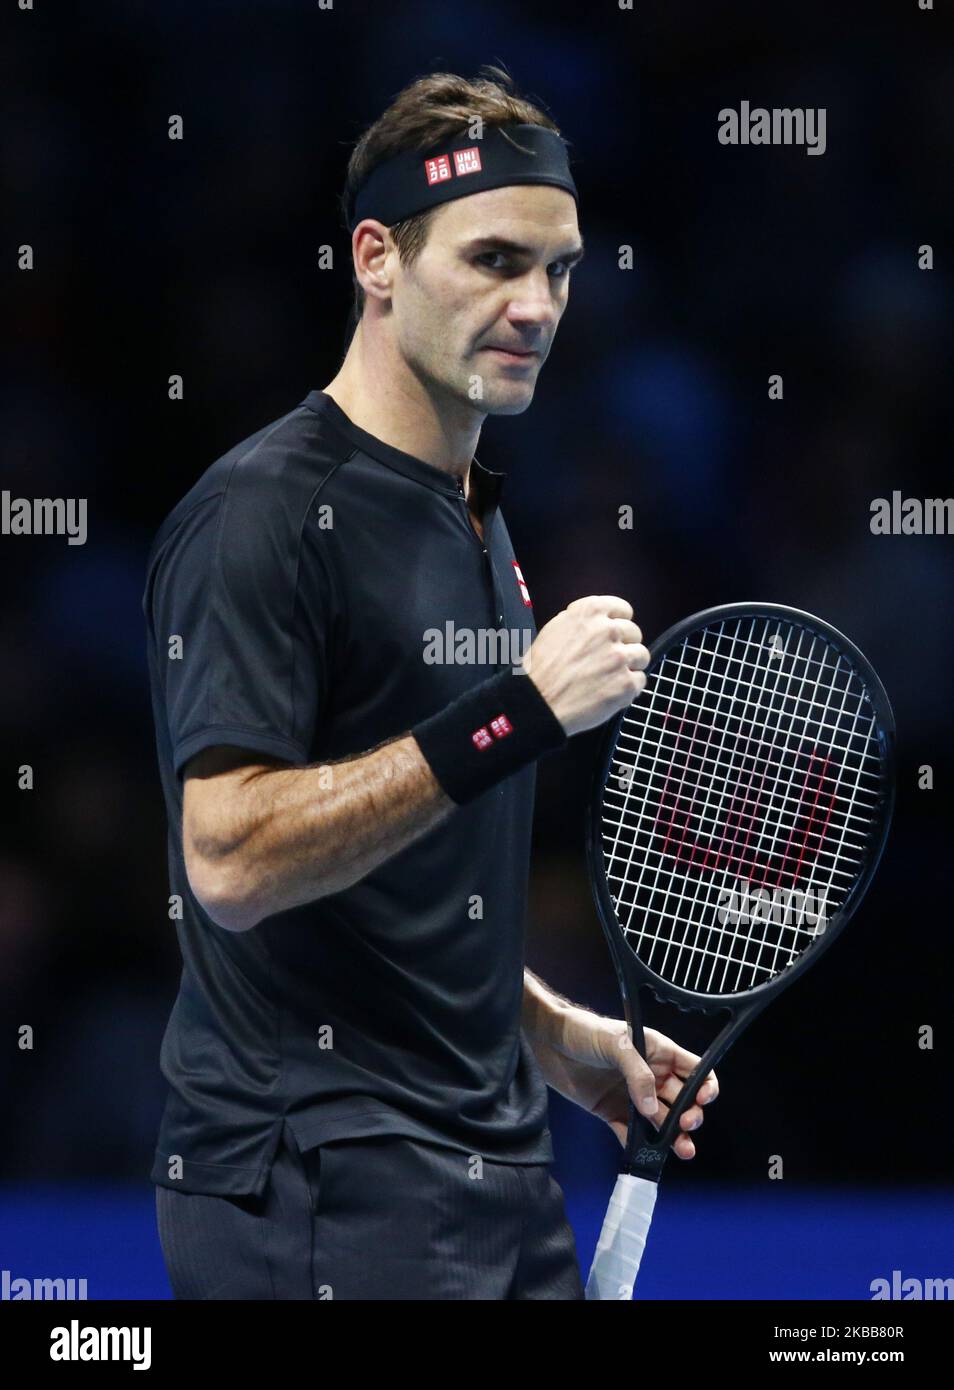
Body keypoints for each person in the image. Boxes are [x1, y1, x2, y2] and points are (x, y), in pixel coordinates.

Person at [143, 63, 718, 1301]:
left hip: (496, 1167)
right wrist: (518, 710)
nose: (537, 307)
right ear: (376, 259)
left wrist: (560, 1042)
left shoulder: (474, 518)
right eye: (495, 261)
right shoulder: (265, 512)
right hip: (314, 1183)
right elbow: (232, 864)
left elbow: (391, 899)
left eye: (559, 270)